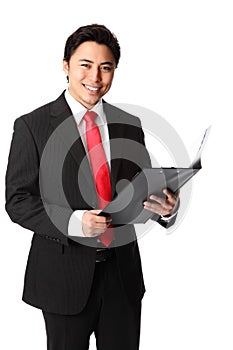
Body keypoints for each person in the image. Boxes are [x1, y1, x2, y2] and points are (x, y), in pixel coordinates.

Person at [5, 24, 179, 350]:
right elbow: (17, 200)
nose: (95, 77)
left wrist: (165, 208)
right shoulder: (33, 126)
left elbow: (138, 192)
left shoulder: (129, 125)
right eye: (85, 65)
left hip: (122, 277)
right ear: (66, 65)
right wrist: (74, 222)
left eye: (106, 67)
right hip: (64, 276)